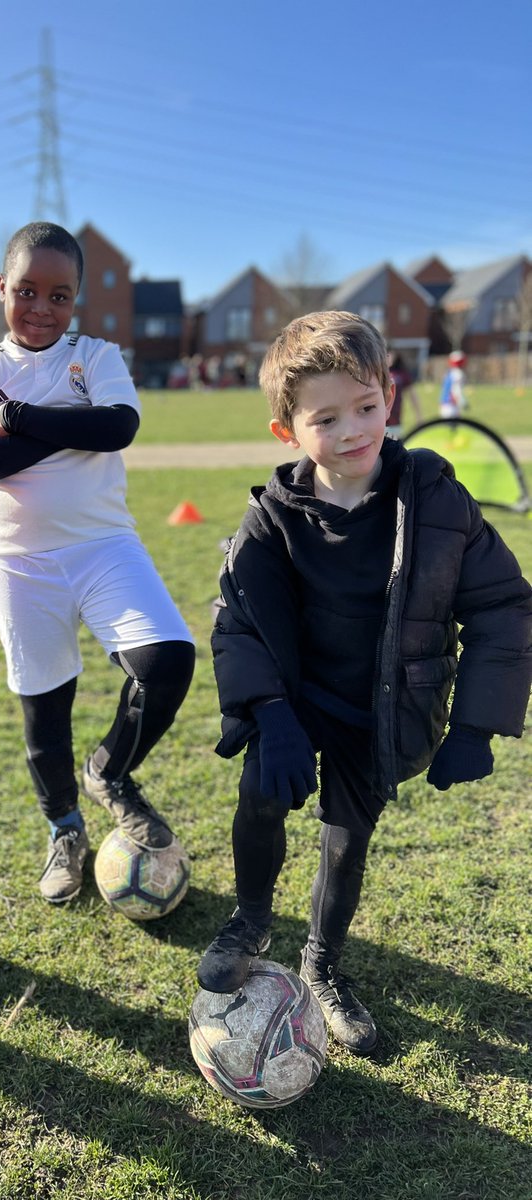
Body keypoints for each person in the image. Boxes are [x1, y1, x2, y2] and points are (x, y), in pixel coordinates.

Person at [198, 310, 531, 1054]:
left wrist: (475, 725)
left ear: (390, 395)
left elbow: (504, 605)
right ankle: (250, 917)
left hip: (381, 709)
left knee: (347, 842)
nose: (352, 430)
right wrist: (271, 716)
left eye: (366, 407)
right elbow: (238, 621)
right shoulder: (272, 518)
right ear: (287, 430)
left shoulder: (438, 501)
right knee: (259, 798)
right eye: (326, 418)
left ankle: (323, 963)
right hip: (296, 702)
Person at [0, 222, 195, 904]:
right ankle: (65, 830)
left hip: (104, 546)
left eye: (59, 295)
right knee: (46, 712)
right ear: (2, 288)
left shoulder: (95, 354)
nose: (42, 307)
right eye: (27, 291)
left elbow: (118, 427)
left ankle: (110, 773)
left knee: (168, 663)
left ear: (78, 301)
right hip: (19, 562)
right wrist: (68, 426)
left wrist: (26, 418)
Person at [385, 349, 422, 437]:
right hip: (379, 420)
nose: (388, 358)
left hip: (395, 419)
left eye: (390, 354)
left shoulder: (401, 374)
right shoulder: (375, 373)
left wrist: (418, 414)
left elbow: (412, 395)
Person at [440, 350, 468, 418]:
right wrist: (463, 402)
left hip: (444, 405)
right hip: (451, 406)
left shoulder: (448, 373)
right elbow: (456, 390)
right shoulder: (458, 374)